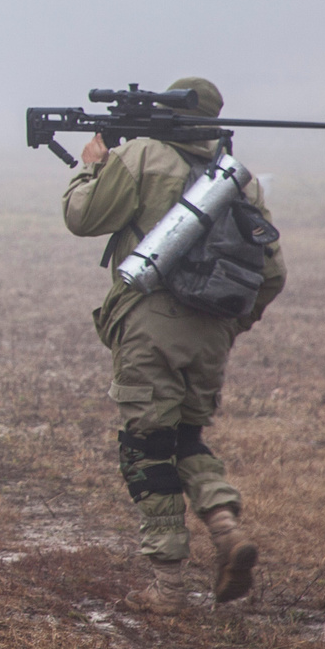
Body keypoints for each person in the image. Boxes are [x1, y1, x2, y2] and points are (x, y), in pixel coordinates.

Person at [62, 77, 280, 606]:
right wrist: (229, 327)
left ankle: (168, 586)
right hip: (212, 332)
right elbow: (272, 273)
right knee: (187, 438)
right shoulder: (237, 178)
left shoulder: (142, 156)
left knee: (147, 447)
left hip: (150, 323)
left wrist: (91, 166)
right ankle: (226, 530)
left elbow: (82, 217)